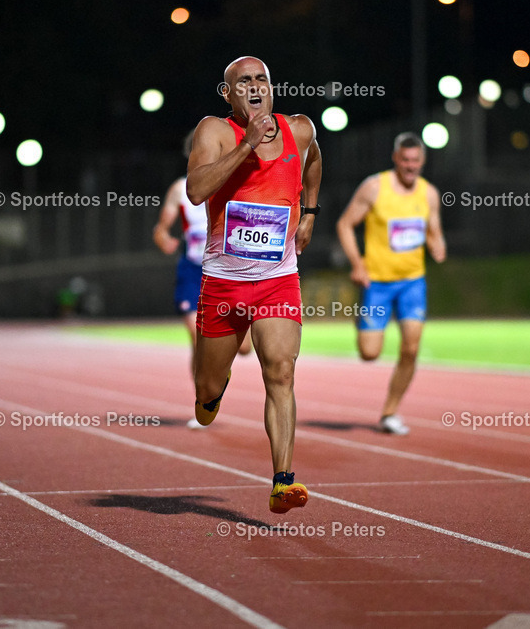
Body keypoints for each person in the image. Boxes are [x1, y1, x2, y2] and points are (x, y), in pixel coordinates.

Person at [186, 56, 322, 514]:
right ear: (228, 95)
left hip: (276, 281)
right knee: (206, 388)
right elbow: (196, 190)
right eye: (243, 81)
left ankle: (283, 481)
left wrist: (309, 214)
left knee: (280, 373)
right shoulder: (214, 131)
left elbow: (315, 160)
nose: (255, 86)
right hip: (223, 285)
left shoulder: (299, 129)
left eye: (262, 78)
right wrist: (245, 146)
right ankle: (212, 393)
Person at [335, 131, 447, 435]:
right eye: (406, 160)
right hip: (378, 284)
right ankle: (363, 322)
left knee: (411, 349)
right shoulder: (374, 187)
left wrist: (438, 245)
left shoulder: (429, 193)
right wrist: (358, 264)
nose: (411, 166)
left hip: (412, 282)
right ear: (396, 159)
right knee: (369, 353)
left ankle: (390, 412)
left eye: (416, 161)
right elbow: (345, 224)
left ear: (422, 161)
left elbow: (433, 229)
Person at [153, 131, 250, 430]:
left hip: (229, 270)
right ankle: (203, 399)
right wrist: (163, 239)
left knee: (244, 349)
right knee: (199, 340)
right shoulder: (180, 189)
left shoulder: (235, 183)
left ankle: (220, 371)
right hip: (194, 271)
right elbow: (161, 228)